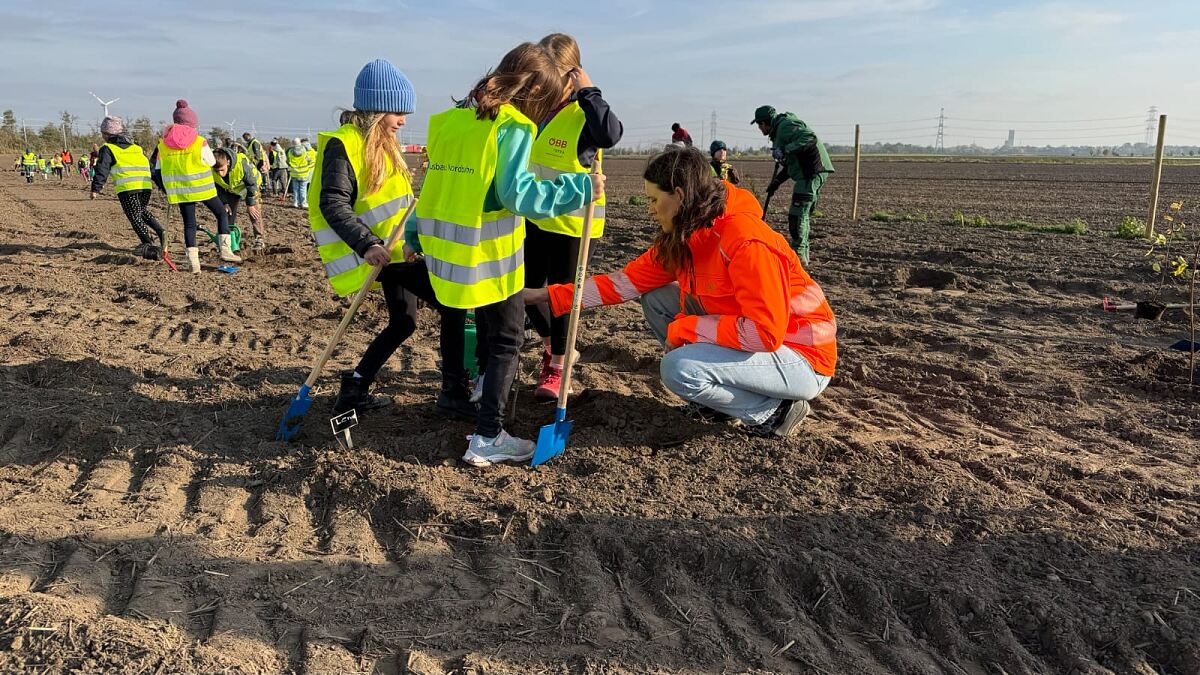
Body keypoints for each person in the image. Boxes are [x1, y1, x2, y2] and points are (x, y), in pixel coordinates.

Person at [526, 147, 836, 438]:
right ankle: (719, 403)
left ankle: (775, 410)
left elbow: (763, 334)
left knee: (678, 369)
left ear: (679, 195)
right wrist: (542, 296)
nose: (650, 210)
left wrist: (685, 329)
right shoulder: (688, 238)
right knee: (657, 296)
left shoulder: (745, 241)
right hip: (760, 342)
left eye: (653, 200)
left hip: (801, 356)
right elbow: (623, 284)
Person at [412, 42, 604, 467]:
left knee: (472, 326)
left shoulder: (448, 121)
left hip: (444, 250)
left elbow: (433, 185)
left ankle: (465, 398)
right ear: (533, 92)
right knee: (507, 339)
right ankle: (488, 436)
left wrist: (412, 233)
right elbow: (519, 195)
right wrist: (580, 188)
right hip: (489, 253)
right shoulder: (511, 126)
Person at [312, 58, 476, 423]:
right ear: (375, 107)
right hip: (379, 253)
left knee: (404, 322)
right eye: (397, 111)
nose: (404, 119)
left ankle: (354, 388)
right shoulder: (345, 145)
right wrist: (367, 243)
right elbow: (332, 202)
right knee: (451, 303)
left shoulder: (383, 143)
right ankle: (453, 391)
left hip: (398, 251)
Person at [524, 32, 623, 400]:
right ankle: (554, 347)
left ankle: (558, 365)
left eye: (553, 74)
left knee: (561, 296)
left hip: (573, 224)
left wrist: (589, 91)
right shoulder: (536, 112)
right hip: (535, 217)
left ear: (571, 74)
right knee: (525, 290)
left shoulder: (585, 113)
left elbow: (611, 134)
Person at [154, 99, 240, 273]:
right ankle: (225, 250)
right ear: (192, 123)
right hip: (203, 187)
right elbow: (211, 161)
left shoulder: (163, 144)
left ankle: (193, 263)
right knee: (221, 213)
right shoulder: (199, 141)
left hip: (181, 191)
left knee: (189, 224)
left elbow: (158, 169)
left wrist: (165, 188)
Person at [753, 105, 834, 263]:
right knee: (801, 215)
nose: (759, 128)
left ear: (764, 123)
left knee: (797, 216)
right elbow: (791, 165)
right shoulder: (779, 131)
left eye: (759, 125)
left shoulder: (785, 126)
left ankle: (799, 256)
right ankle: (803, 254)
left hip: (811, 173)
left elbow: (809, 138)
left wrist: (785, 149)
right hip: (808, 174)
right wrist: (776, 182)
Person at [90, 116, 168, 260]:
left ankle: (148, 244)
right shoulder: (136, 147)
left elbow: (102, 168)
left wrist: (96, 188)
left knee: (134, 216)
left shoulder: (107, 148)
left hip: (128, 187)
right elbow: (148, 165)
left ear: (107, 134)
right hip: (145, 186)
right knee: (141, 211)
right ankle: (160, 229)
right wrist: (159, 184)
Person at [212, 146, 265, 250]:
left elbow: (252, 185)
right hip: (233, 189)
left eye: (222, 170)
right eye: (217, 171)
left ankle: (259, 239)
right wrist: (224, 202)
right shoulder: (212, 168)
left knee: (254, 212)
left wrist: (250, 204)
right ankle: (227, 240)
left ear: (227, 162)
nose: (220, 174)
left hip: (251, 186)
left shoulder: (241, 163)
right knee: (227, 212)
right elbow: (218, 186)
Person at [287, 137, 312, 208]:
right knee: (303, 189)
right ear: (300, 143)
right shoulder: (304, 150)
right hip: (304, 173)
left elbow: (288, 161)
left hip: (294, 173)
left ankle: (295, 202)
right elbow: (309, 159)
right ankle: (303, 203)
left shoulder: (290, 152)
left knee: (295, 189)